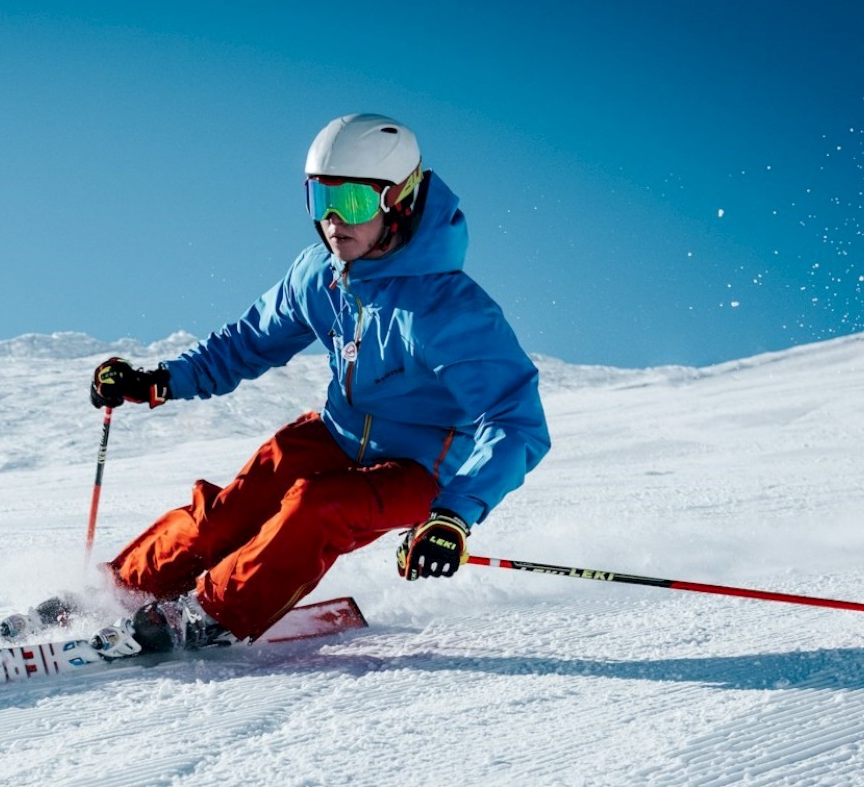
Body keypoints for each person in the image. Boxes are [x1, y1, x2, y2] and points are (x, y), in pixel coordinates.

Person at [87, 113, 552, 654]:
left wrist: (454, 514)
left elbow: (514, 422)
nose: (333, 221)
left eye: (352, 202)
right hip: (335, 434)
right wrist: (158, 379)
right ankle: (113, 593)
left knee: (318, 506)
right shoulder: (320, 273)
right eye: (319, 199)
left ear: (397, 200)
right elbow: (246, 343)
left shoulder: (449, 311)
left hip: (423, 469)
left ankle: (206, 615)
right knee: (227, 515)